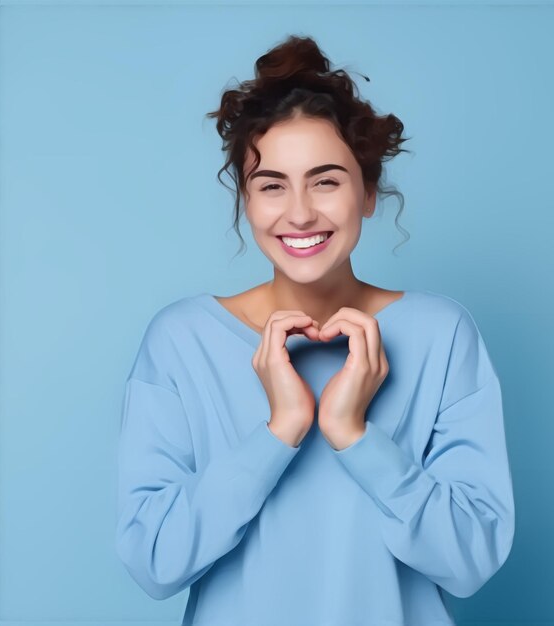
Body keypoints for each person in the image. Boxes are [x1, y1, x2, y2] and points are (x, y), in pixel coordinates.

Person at [115, 34, 515, 626]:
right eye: (271, 184)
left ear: (369, 193)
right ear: (246, 202)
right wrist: (281, 430)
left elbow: (470, 560)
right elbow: (154, 563)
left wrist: (353, 434)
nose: (299, 213)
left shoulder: (441, 335)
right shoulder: (181, 341)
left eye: (326, 180)